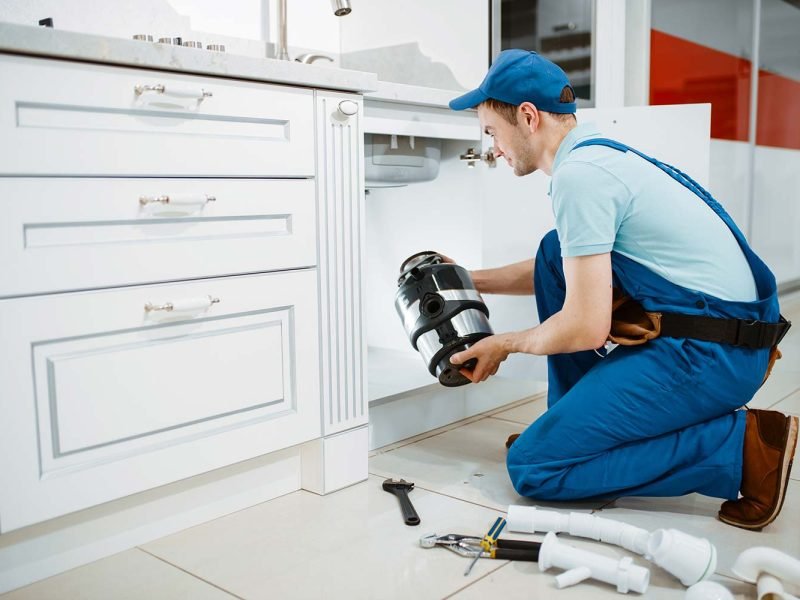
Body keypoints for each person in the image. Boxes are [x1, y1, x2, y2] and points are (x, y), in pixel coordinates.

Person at [446, 49, 796, 530]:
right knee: (554, 253)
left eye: (492, 132)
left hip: (711, 356)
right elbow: (571, 266)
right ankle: (570, 430)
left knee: (535, 469)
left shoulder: (581, 178)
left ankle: (738, 448)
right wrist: (468, 277)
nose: (493, 148)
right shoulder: (602, 158)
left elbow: (586, 328)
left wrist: (504, 343)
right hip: (724, 337)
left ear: (526, 117)